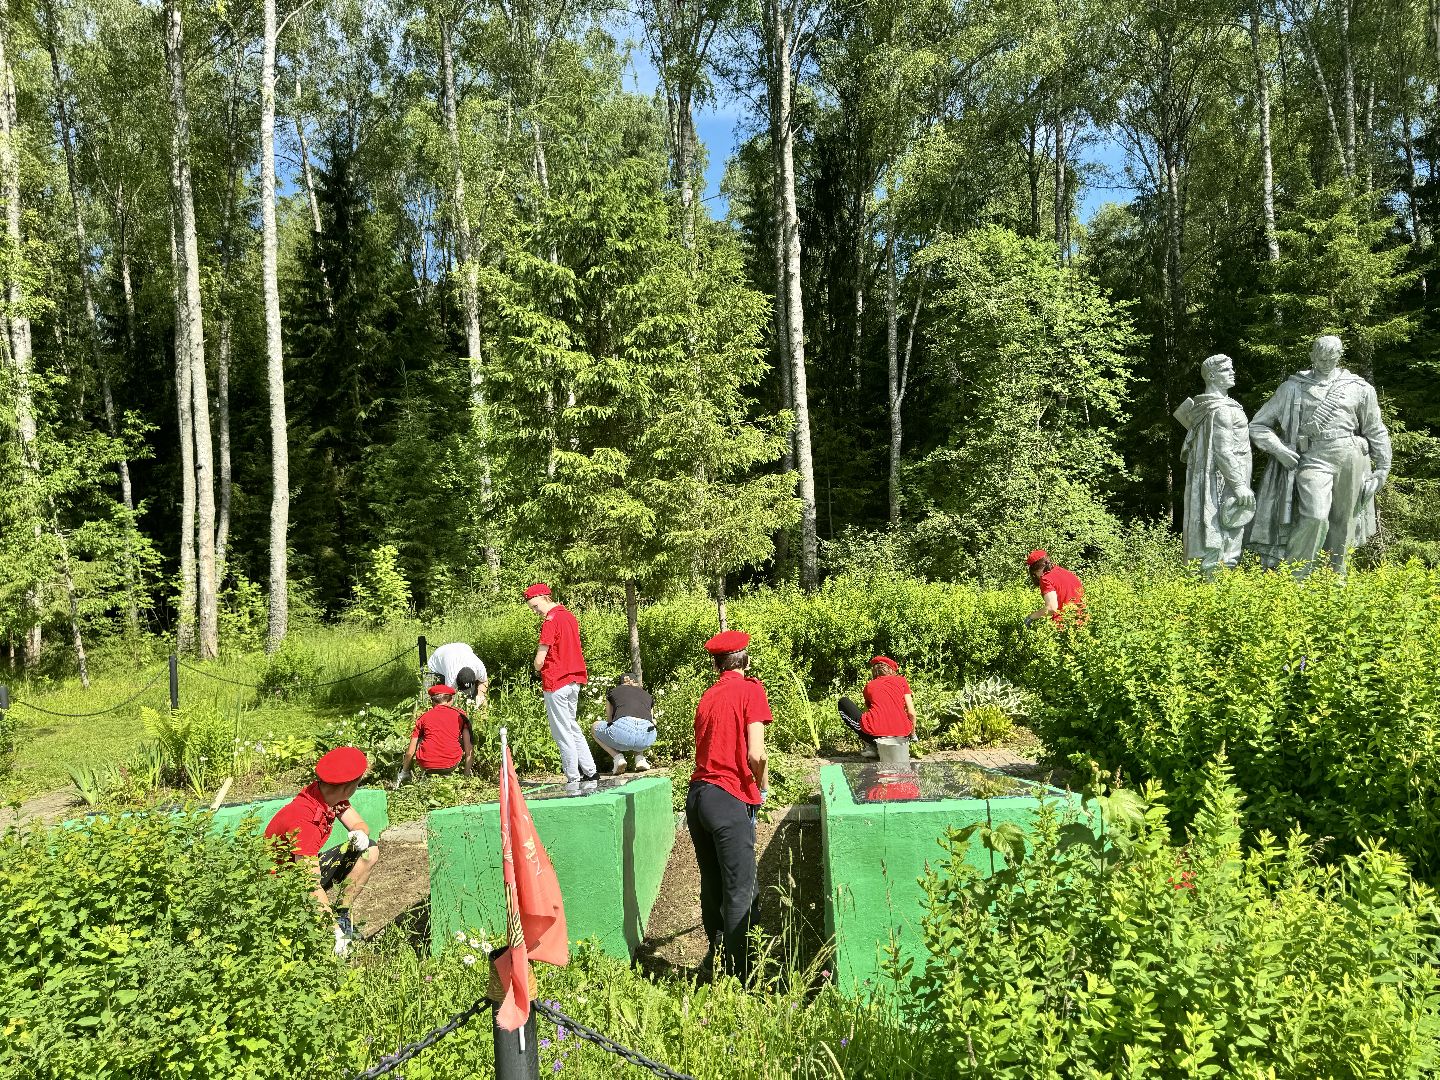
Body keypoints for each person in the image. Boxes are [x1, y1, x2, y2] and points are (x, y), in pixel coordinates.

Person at [1248, 334, 1392, 578]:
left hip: (1350, 457)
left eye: (1331, 358)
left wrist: (1382, 468)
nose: (1325, 363)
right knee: (1315, 516)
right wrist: (1280, 450)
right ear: (1312, 356)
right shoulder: (1293, 387)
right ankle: (1295, 577)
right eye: (1321, 358)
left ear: (1339, 357)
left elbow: (1375, 429)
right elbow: (1258, 425)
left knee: (1344, 522)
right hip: (1312, 458)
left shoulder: (1358, 388)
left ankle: (1335, 579)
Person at [688, 629, 771, 983]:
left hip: (698, 798)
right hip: (728, 797)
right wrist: (763, 788)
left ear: (718, 664)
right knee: (740, 888)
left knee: (713, 882)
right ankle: (743, 977)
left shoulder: (708, 696)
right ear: (745, 660)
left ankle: (716, 957)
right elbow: (756, 753)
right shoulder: (751, 689)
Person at [264, 746, 379, 954]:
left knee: (369, 850)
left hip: (297, 871)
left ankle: (340, 915)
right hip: (278, 888)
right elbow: (308, 882)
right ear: (348, 788)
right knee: (314, 890)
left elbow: (358, 823)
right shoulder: (305, 821)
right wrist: (333, 934)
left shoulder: (327, 795)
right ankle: (332, 931)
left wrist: (360, 833)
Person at [1174, 353, 1256, 579]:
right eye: (1226, 370)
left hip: (1220, 479)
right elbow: (1223, 450)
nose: (1232, 373)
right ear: (1211, 375)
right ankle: (1216, 593)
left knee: (1224, 540)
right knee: (1226, 543)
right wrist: (1239, 485)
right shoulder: (1220, 409)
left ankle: (1211, 590)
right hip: (1224, 483)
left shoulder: (1208, 407)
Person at [524, 583, 596, 785]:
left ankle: (573, 776)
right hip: (574, 679)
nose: (535, 611)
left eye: (535, 606)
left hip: (555, 680)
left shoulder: (550, 620)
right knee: (572, 726)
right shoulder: (569, 616)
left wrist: (537, 667)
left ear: (545, 598)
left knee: (561, 731)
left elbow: (540, 658)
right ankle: (590, 771)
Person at [837, 656, 916, 759]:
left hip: (874, 735)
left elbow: (870, 711)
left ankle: (872, 746)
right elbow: (911, 713)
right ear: (892, 670)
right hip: (903, 737)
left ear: (874, 671)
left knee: (843, 702)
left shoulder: (869, 686)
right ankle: (876, 747)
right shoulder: (902, 681)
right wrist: (913, 735)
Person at [396, 684, 473, 785]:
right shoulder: (461, 716)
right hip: (451, 764)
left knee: (423, 736)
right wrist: (466, 777)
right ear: (451, 700)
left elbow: (410, 752)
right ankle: (451, 778)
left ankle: (423, 778)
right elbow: (469, 749)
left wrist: (404, 772)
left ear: (432, 701)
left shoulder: (423, 718)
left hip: (426, 765)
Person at [593, 672, 656, 775]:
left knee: (594, 727)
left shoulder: (613, 692)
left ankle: (618, 758)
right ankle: (640, 759)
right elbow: (651, 720)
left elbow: (610, 720)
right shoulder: (647, 695)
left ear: (621, 684)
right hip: (648, 737)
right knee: (642, 722)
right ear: (636, 682)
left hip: (622, 732)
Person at [1025, 550, 1086, 626]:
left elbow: (1051, 607)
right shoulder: (1065, 572)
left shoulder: (1045, 579)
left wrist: (1031, 617)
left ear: (1035, 569)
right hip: (1082, 619)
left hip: (1064, 624)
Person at [425, 641, 489, 706]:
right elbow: (449, 697)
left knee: (476, 696)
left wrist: (480, 695)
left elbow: (484, 681)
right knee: (431, 698)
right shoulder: (451, 676)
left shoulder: (479, 668)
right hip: (439, 657)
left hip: (462, 647)